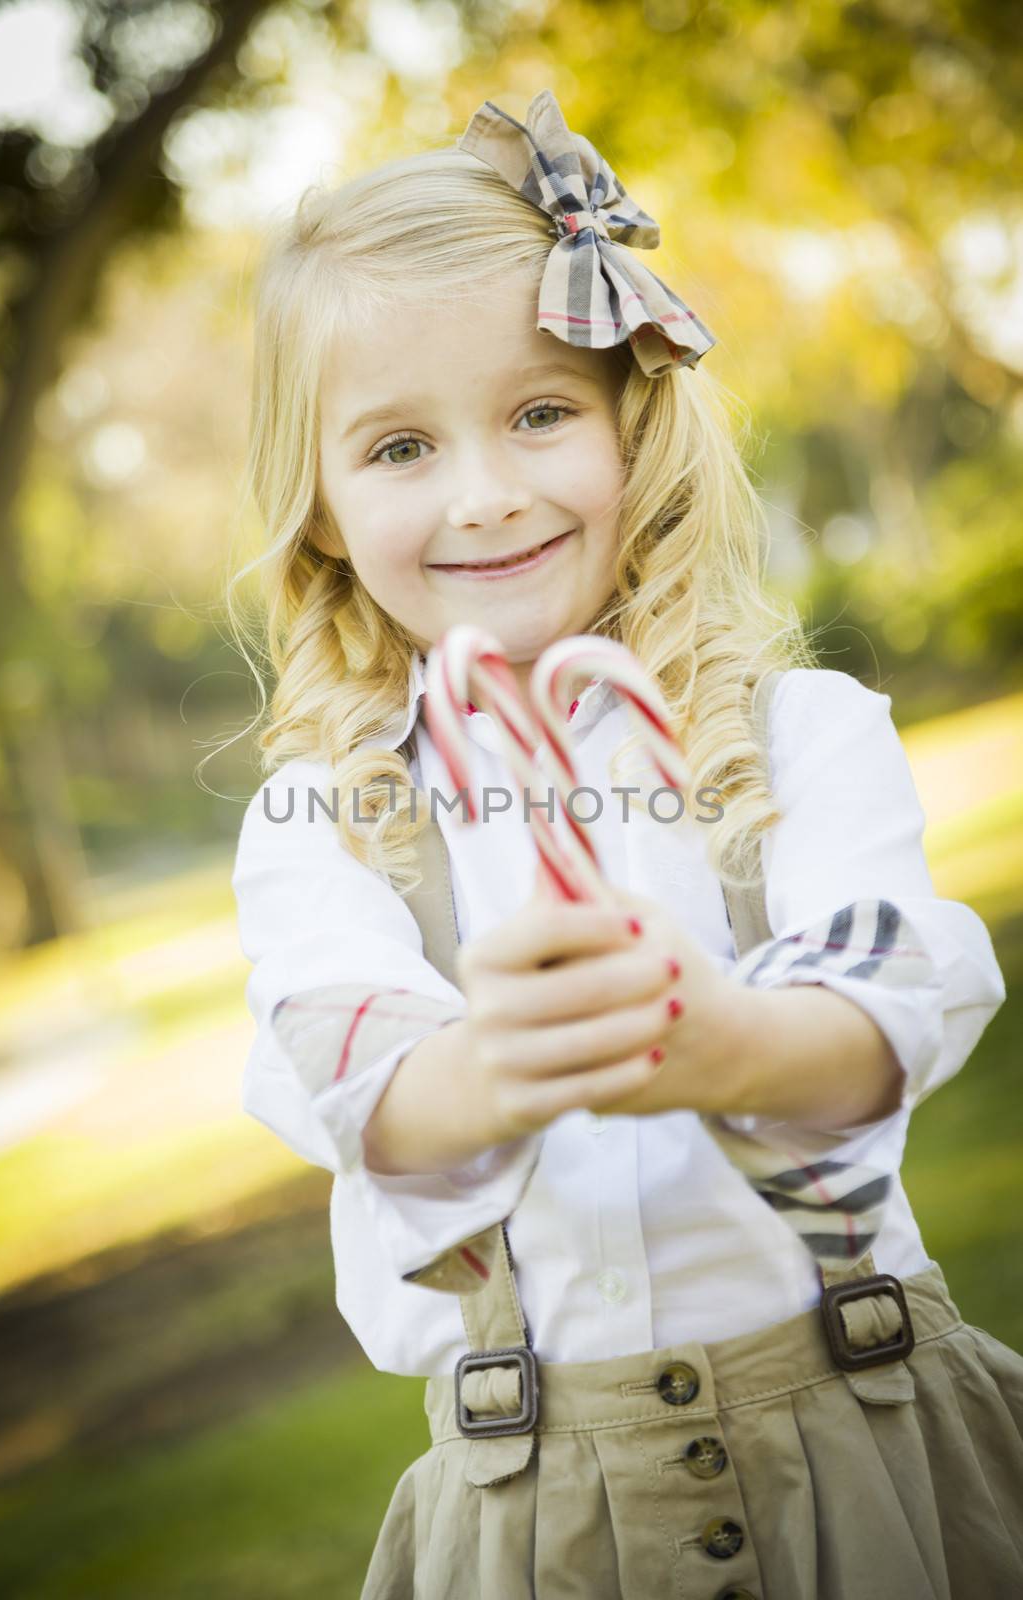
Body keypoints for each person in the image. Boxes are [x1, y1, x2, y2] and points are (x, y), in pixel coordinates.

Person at [232, 89, 1021, 1600]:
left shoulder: (795, 734)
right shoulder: (323, 821)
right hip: (544, 1515)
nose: (486, 494)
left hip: (867, 1447)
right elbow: (351, 1068)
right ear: (321, 512)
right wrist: (499, 1057)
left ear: (628, 420)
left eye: (540, 412)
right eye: (399, 447)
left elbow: (890, 1013)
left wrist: (720, 1039)